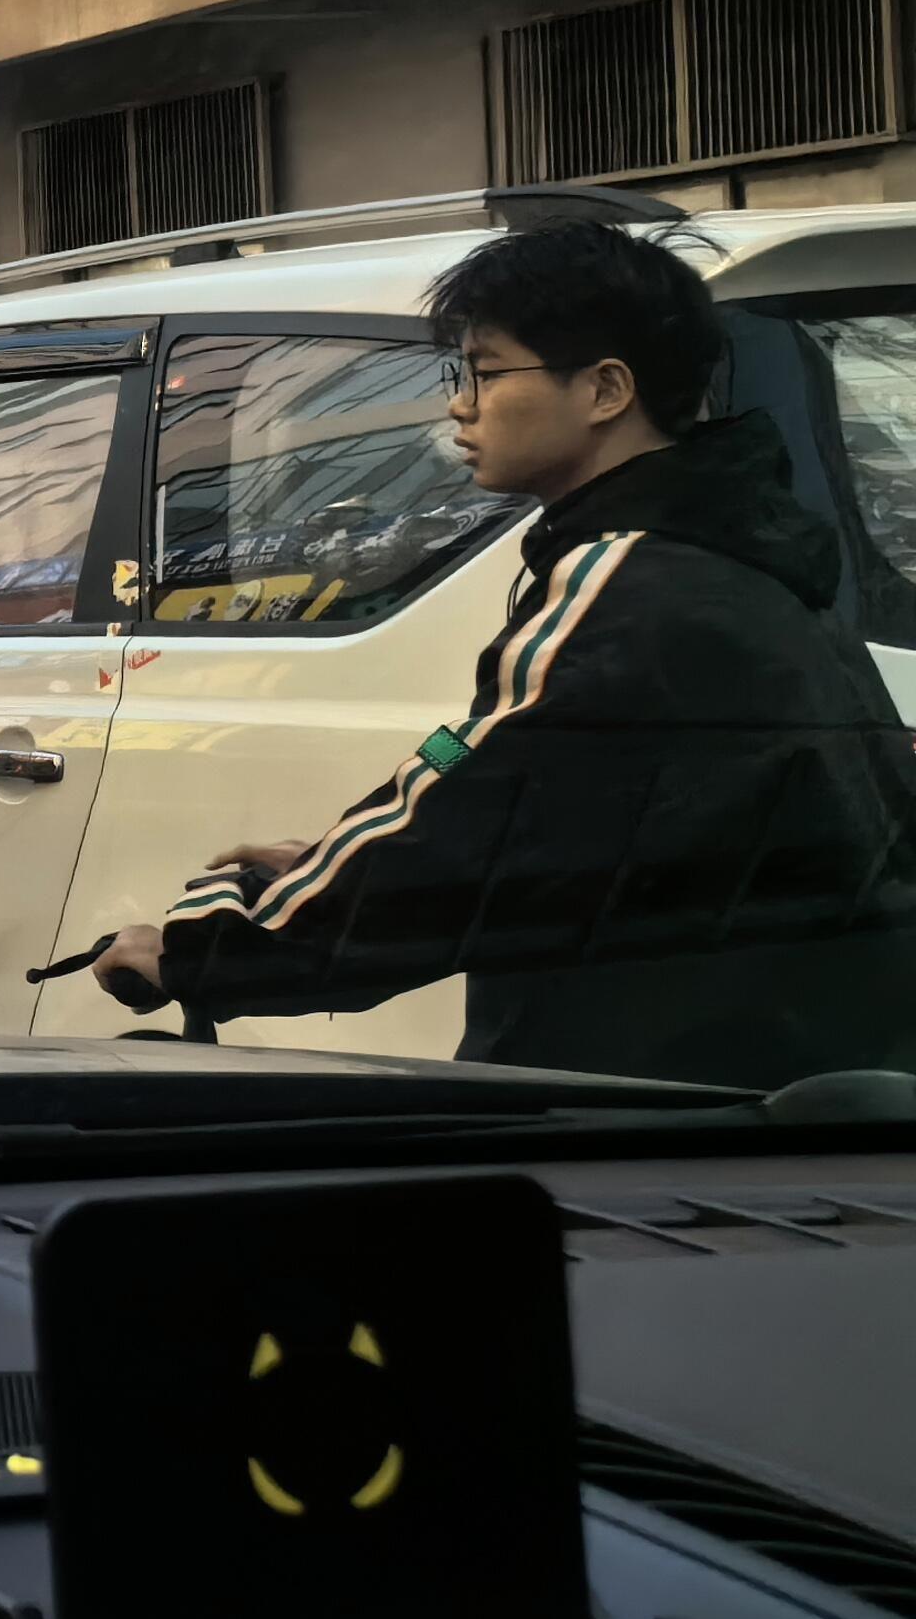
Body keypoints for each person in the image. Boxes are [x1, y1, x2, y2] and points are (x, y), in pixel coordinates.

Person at [96, 221, 916, 1088]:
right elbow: (474, 759)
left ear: (604, 390)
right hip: (803, 1073)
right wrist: (336, 856)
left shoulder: (624, 586)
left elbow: (467, 814)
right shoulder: (742, 555)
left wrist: (201, 950)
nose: (460, 405)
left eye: (485, 373)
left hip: (656, 1095)